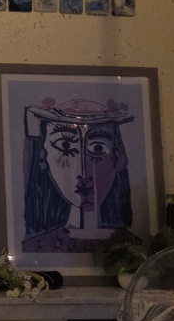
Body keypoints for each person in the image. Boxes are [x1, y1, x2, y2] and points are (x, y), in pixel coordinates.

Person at [21, 98, 134, 253]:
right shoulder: (33, 247)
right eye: (65, 146)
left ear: (118, 158)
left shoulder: (138, 250)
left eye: (98, 148)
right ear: (43, 157)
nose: (82, 172)